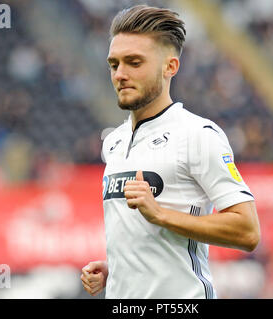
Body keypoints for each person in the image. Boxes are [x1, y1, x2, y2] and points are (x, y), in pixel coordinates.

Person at [81, 5, 261, 299]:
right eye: (114, 65)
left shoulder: (197, 135)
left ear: (170, 67)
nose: (120, 74)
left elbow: (247, 231)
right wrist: (118, 268)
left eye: (134, 62)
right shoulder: (113, 141)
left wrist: (162, 215)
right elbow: (147, 238)